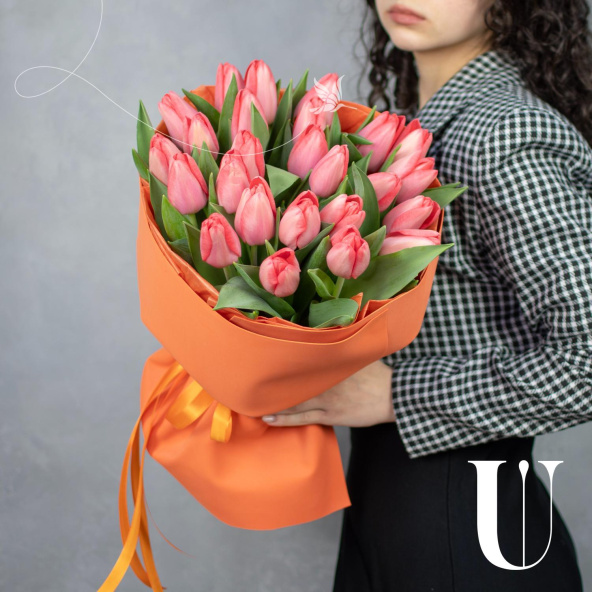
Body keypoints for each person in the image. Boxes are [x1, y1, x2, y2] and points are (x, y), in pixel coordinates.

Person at [260, 0, 592, 589]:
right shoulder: (416, 131)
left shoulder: (504, 133)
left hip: (466, 530)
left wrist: (398, 394)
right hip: (389, 516)